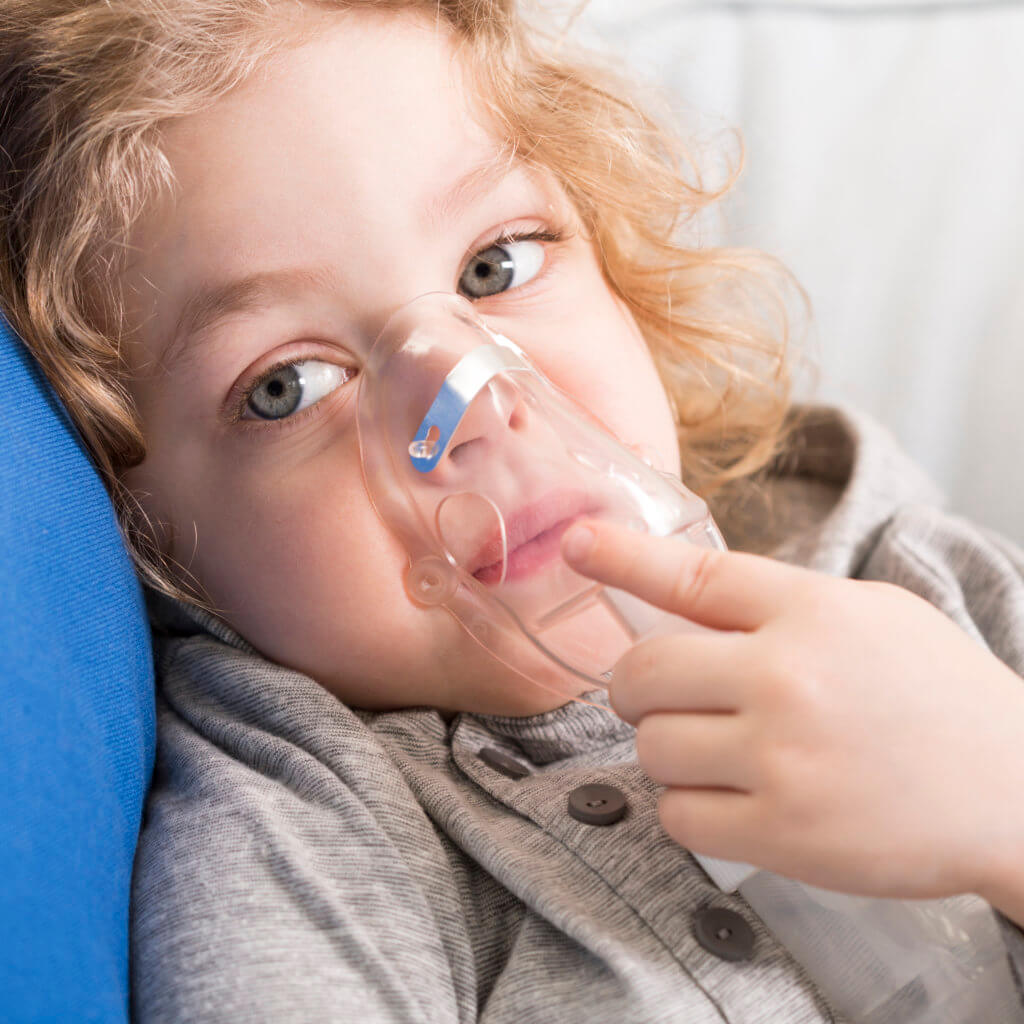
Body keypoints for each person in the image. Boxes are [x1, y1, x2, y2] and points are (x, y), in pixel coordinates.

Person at [2, 1, 1023, 1020]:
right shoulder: (313, 831)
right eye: (290, 385)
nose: (474, 403)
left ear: (619, 265)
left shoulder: (913, 584)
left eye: (496, 267)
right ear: (149, 535)